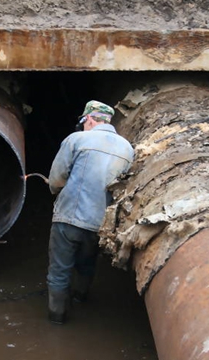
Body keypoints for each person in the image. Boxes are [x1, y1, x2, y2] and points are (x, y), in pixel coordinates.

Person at [46, 100, 134, 324]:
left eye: (84, 121)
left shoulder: (76, 140)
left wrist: (56, 190)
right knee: (86, 265)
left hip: (68, 220)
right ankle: (80, 298)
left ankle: (57, 317)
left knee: (59, 271)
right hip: (99, 224)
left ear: (90, 119)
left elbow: (56, 179)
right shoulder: (127, 148)